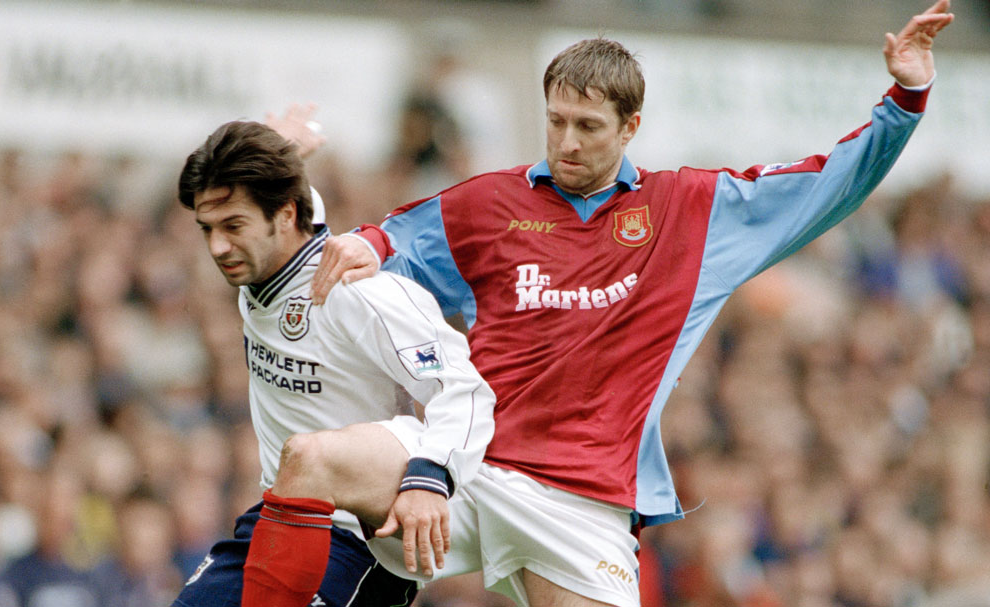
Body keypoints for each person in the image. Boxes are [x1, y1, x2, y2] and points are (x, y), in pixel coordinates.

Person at [307, 2, 955, 606]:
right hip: (470, 466)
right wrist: (369, 242)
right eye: (556, 121)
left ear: (630, 126)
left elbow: (825, 185)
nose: (567, 142)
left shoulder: (692, 212)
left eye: (588, 127)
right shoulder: (488, 204)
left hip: (582, 502)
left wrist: (903, 101)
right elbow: (398, 240)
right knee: (313, 463)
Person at [171, 119, 496, 607]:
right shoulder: (265, 258)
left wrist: (431, 477)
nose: (218, 246)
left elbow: (464, 390)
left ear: (284, 215)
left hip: (356, 540)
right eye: (208, 229)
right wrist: (283, 146)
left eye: (232, 226)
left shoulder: (360, 292)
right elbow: (298, 203)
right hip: (274, 519)